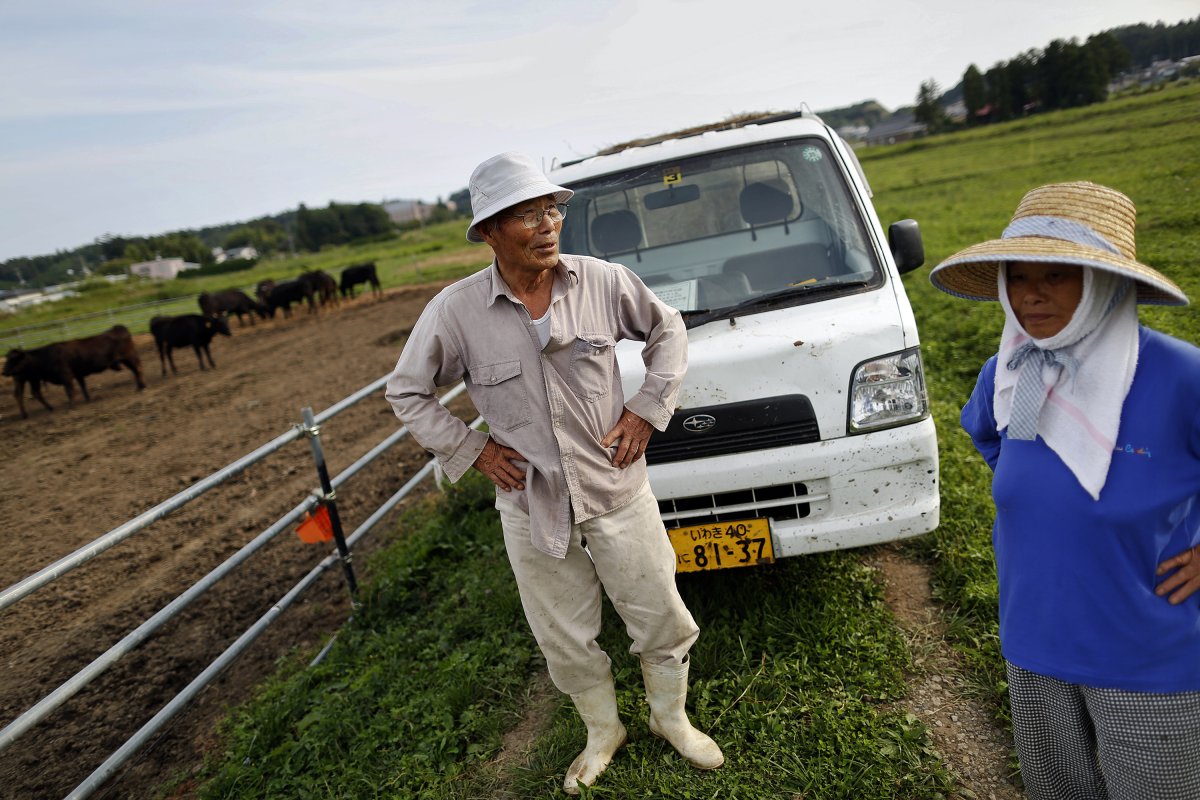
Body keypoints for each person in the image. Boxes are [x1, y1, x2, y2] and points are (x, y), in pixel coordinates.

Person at [385, 152, 723, 794]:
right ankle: (604, 732)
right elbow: (407, 392)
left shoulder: (601, 281)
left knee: (659, 613)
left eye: (550, 210)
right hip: (531, 503)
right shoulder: (455, 313)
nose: (546, 225)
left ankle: (670, 719)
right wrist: (472, 450)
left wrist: (647, 410)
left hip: (616, 489)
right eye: (524, 214)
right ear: (489, 231)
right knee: (564, 636)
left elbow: (668, 330)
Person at [929, 181, 1200, 799]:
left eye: (1057, 274)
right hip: (1033, 645)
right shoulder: (1010, 371)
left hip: (1144, 656)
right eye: (1018, 275)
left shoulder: (1179, 376)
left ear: (1107, 283)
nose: (1031, 294)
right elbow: (992, 438)